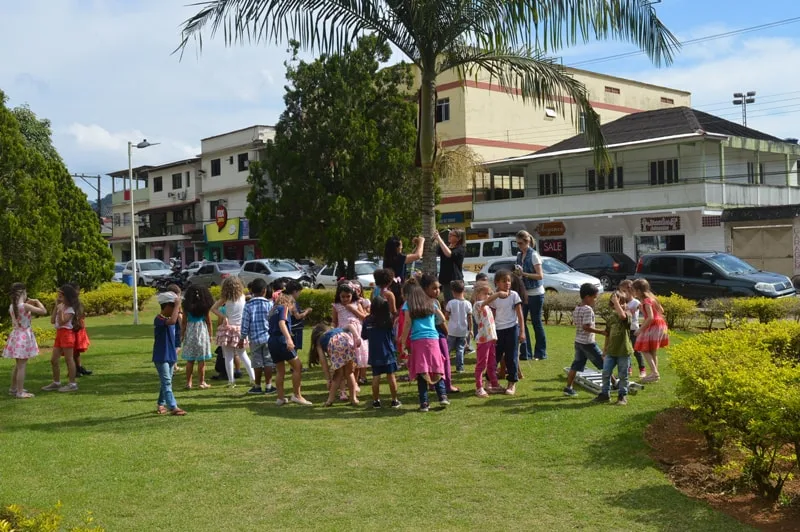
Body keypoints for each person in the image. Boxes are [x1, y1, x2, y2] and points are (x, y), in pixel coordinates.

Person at [399, 285, 449, 412]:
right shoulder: (431, 303)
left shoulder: (408, 305)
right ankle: (442, 396)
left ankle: (424, 403)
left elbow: (407, 323)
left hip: (418, 340)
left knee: (421, 371)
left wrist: (403, 341)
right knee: (437, 367)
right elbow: (442, 318)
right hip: (433, 339)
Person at [482, 270, 524, 395]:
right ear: (497, 283)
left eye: (509, 280)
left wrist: (522, 331)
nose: (507, 283)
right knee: (494, 357)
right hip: (497, 331)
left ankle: (511, 383)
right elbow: (489, 310)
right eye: (504, 281)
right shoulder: (495, 297)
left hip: (512, 329)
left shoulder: (514, 295)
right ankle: (489, 381)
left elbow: (520, 314)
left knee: (511, 357)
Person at [563, 283, 608, 397]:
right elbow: (586, 327)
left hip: (578, 342)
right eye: (594, 297)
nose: (595, 299)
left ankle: (568, 387)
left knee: (576, 365)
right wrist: (601, 332)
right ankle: (614, 383)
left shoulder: (577, 308)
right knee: (604, 363)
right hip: (588, 343)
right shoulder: (588, 309)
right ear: (587, 297)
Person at [3, 283, 47, 399]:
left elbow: (20, 310)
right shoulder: (25, 306)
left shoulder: (12, 306)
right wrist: (37, 301)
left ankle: (14, 388)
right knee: (22, 366)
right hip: (24, 336)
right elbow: (43, 311)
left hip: (16, 335)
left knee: (18, 365)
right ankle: (20, 392)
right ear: (23, 293)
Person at [211, 277, 256, 390]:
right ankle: (253, 378)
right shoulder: (242, 297)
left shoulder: (225, 298)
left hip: (228, 329)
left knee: (228, 357)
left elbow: (213, 308)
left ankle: (231, 381)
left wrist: (223, 316)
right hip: (240, 329)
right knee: (243, 355)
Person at [268, 292, 312, 406]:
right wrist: (288, 339)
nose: (293, 310)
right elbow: (282, 322)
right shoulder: (284, 308)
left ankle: (280, 398)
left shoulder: (273, 310)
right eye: (294, 306)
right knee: (298, 366)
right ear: (290, 303)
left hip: (272, 341)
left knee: (280, 370)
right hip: (281, 340)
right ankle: (297, 395)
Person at [420, 273, 460, 394]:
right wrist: (447, 332)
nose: (437, 291)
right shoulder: (433, 302)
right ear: (425, 289)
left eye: (438, 288)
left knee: (431, 360)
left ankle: (432, 383)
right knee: (445, 359)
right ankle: (447, 384)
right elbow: (441, 320)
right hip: (437, 333)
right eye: (434, 288)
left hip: (424, 335)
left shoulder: (419, 301)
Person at [594, 291, 633, 406]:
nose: (618, 305)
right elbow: (607, 334)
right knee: (606, 373)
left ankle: (622, 395)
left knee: (623, 375)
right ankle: (605, 394)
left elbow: (622, 316)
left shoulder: (628, 314)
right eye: (615, 303)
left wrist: (616, 302)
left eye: (622, 303)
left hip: (623, 351)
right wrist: (605, 350)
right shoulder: (611, 318)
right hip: (611, 351)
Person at [42, 284, 83, 393]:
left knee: (69, 359)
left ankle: (72, 383)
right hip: (59, 334)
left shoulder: (70, 309)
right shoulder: (61, 306)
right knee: (54, 360)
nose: (58, 297)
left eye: (61, 296)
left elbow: (62, 321)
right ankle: (56, 382)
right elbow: (52, 320)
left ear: (67, 297)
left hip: (67, 334)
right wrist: (57, 307)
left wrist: (60, 311)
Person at [239, 278, 276, 394]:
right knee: (268, 362)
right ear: (265, 290)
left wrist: (242, 338)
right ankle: (269, 386)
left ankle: (257, 385)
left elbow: (245, 323)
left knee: (257, 362)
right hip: (268, 337)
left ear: (252, 291)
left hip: (254, 338)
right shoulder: (270, 304)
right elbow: (274, 321)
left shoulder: (248, 305)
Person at [363, 295, 401, 408]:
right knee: (391, 376)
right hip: (388, 352)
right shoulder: (388, 319)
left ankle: (376, 401)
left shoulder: (367, 320)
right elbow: (393, 336)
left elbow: (364, 336)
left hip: (374, 353)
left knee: (376, 377)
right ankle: (394, 400)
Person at [152, 291, 186, 416]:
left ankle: (161, 403)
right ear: (166, 306)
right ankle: (173, 406)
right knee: (166, 381)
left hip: (171, 355)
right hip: (161, 356)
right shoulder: (159, 319)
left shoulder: (172, 319)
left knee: (167, 381)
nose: (176, 310)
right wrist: (177, 305)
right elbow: (171, 321)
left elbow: (179, 324)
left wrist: (178, 307)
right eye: (173, 306)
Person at [309, 323, 360, 407]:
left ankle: (330, 400)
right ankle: (353, 398)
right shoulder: (337, 329)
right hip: (347, 340)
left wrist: (328, 379)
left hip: (335, 344)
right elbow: (350, 325)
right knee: (349, 373)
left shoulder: (320, 341)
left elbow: (323, 361)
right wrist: (357, 337)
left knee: (337, 375)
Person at [332, 282, 368, 399]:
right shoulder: (336, 306)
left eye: (348, 296)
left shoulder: (357, 303)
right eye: (343, 296)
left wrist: (353, 309)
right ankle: (342, 389)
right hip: (343, 333)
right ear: (339, 296)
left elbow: (363, 317)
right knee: (345, 361)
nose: (346, 299)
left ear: (352, 295)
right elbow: (334, 321)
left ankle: (354, 382)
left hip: (357, 332)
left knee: (357, 360)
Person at [515, 230, 546, 361]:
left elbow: (540, 275)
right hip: (524, 293)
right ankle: (525, 353)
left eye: (521, 243)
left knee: (536, 322)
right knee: (521, 323)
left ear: (527, 242)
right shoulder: (519, 255)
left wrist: (524, 274)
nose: (519, 246)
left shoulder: (534, 255)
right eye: (517, 243)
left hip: (536, 293)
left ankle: (540, 353)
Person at [632, 278, 669, 383]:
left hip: (654, 325)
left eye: (634, 290)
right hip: (661, 324)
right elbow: (661, 310)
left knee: (643, 349)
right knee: (652, 350)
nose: (633, 293)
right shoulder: (652, 298)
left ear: (638, 291)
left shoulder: (646, 301)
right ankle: (654, 375)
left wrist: (640, 329)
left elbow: (650, 317)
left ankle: (655, 373)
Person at [181, 285, 215, 390]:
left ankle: (188, 383)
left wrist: (182, 334)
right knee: (201, 360)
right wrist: (210, 335)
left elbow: (184, 322)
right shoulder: (204, 307)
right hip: (202, 332)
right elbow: (208, 322)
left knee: (190, 360)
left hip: (190, 333)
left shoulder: (186, 307)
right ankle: (201, 382)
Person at [472, 283, 502, 397]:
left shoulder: (488, 306)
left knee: (491, 363)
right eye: (485, 293)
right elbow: (487, 301)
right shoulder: (478, 304)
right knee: (481, 364)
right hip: (483, 340)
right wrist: (497, 294)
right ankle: (479, 387)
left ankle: (494, 384)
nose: (488, 296)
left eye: (489, 293)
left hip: (491, 339)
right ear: (477, 294)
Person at [618, 280, 647, 378]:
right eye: (621, 291)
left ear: (630, 290)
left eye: (624, 291)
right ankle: (628, 368)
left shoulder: (635, 302)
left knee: (636, 351)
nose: (622, 293)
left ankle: (642, 369)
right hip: (625, 330)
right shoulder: (622, 302)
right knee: (626, 350)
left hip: (634, 330)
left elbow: (629, 313)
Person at [445, 280, 472, 373]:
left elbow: (446, 316)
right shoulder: (468, 304)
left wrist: (449, 317)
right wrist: (471, 329)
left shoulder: (451, 303)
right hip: (463, 331)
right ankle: (459, 368)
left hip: (452, 330)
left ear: (453, 291)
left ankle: (445, 366)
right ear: (463, 290)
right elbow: (470, 318)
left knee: (448, 348)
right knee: (460, 349)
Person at [432, 228, 465, 302]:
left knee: (455, 302)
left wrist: (439, 239)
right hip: (445, 280)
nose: (449, 236)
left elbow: (449, 254)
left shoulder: (460, 249)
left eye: (451, 235)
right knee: (448, 302)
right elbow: (438, 250)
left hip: (454, 281)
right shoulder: (447, 246)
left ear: (458, 238)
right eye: (449, 234)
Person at [68, 283, 92, 377]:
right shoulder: (69, 303)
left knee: (77, 350)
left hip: (79, 327)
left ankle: (79, 367)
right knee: (72, 351)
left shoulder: (77, 302)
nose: (78, 292)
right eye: (76, 290)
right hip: (73, 328)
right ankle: (73, 370)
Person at [286, 280, 312, 356]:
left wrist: (303, 311)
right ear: (295, 291)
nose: (299, 294)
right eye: (299, 292)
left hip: (289, 327)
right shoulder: (292, 301)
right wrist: (307, 311)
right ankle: (294, 366)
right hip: (295, 328)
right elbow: (297, 316)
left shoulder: (285, 299)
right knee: (294, 348)